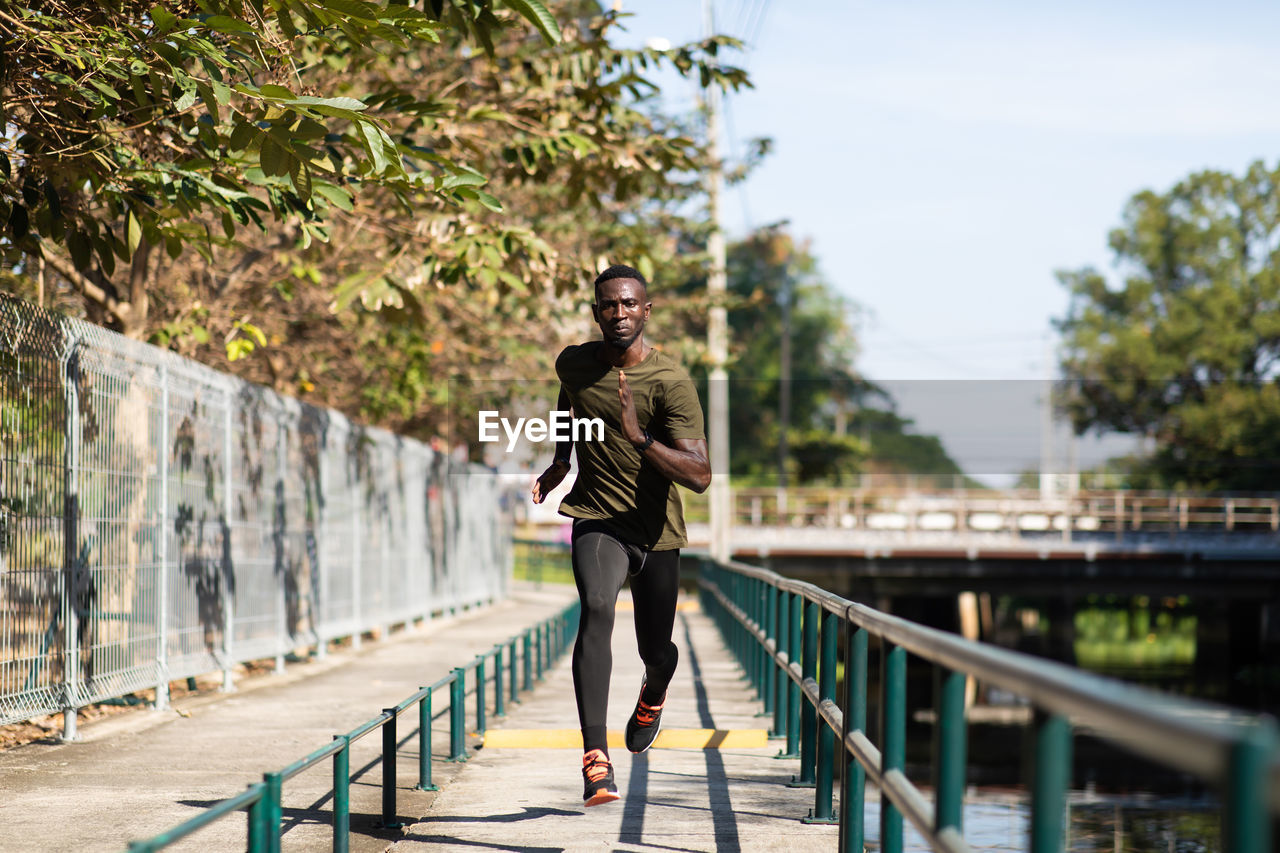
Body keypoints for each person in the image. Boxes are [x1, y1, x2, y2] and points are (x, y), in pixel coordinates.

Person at [531, 264, 711, 807]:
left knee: (655, 649)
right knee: (598, 608)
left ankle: (654, 688)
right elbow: (570, 399)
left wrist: (638, 438)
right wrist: (561, 461)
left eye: (630, 304)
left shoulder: (670, 381)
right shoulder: (574, 362)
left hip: (656, 534)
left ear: (646, 310)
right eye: (609, 305)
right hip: (597, 519)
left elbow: (699, 474)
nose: (619, 313)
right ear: (596, 312)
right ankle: (595, 757)